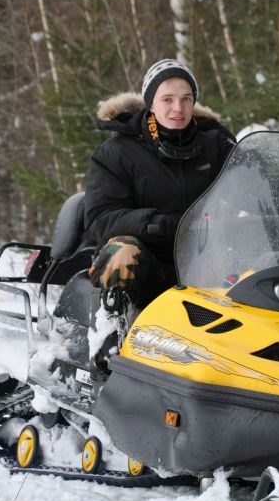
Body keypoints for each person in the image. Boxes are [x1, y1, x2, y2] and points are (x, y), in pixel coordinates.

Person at [83, 59, 235, 314]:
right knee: (122, 252)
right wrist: (164, 224)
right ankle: (114, 328)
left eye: (186, 99)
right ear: (150, 103)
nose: (178, 108)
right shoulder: (116, 153)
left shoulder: (216, 145)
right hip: (150, 264)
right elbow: (101, 219)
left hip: (208, 259)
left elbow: (257, 184)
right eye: (168, 99)